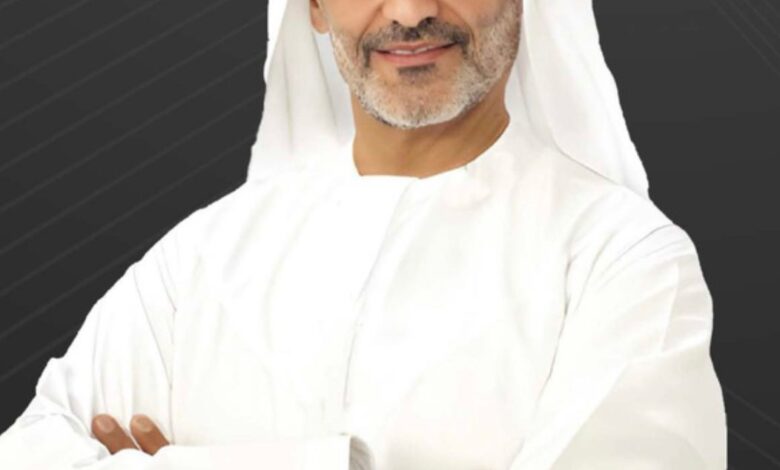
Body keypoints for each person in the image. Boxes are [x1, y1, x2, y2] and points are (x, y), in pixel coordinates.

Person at [0, 0, 728, 467]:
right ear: (314, 8)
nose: (410, 13)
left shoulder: (624, 263)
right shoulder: (199, 262)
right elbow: (31, 450)